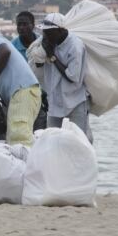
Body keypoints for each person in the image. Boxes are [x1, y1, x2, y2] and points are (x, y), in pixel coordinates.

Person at [36, 13, 93, 143]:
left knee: (79, 140)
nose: (46, 35)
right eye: (44, 32)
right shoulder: (48, 41)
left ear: (61, 30)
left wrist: (52, 57)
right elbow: (38, 64)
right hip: (55, 100)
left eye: (49, 32)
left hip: (75, 100)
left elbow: (72, 76)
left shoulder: (75, 46)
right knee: (51, 140)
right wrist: (43, 51)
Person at [11, 11, 48, 131]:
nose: (21, 28)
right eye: (19, 25)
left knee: (39, 132)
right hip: (20, 96)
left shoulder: (43, 43)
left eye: (25, 24)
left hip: (43, 96)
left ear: (33, 25)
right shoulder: (12, 48)